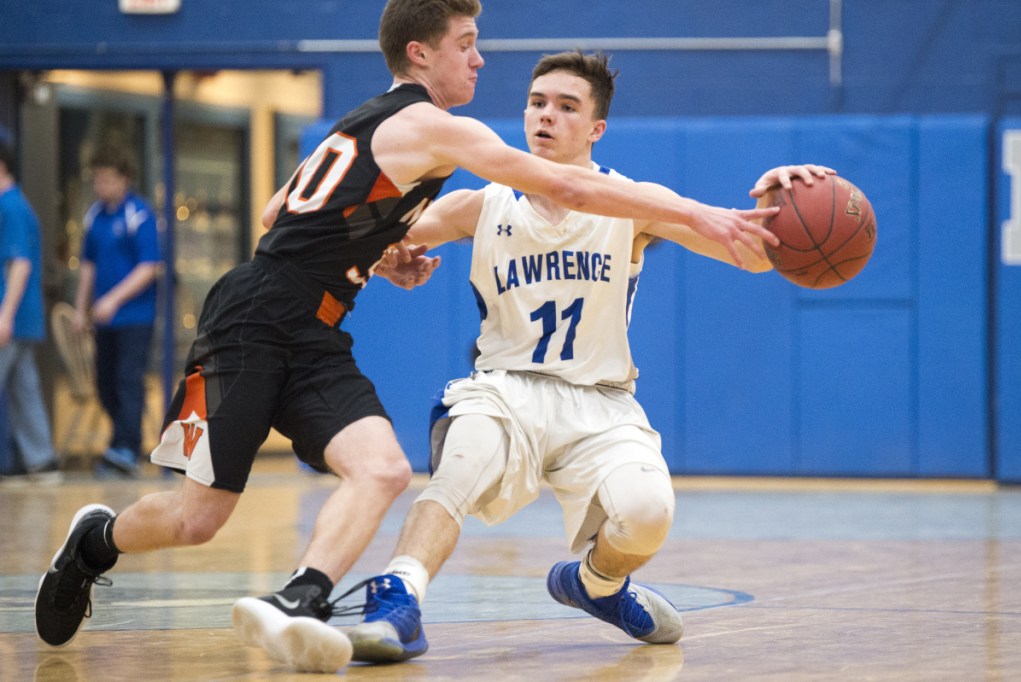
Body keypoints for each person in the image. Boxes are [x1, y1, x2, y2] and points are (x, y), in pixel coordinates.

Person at [34, 2, 781, 674]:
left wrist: (372, 249)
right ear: (421, 54)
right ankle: (95, 544)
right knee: (200, 519)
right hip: (253, 319)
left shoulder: (366, 123)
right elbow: (569, 187)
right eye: (467, 44)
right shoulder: (437, 129)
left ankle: (303, 597)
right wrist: (699, 213)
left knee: (384, 470)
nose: (480, 60)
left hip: (320, 325)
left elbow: (274, 211)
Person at [347, 50, 833, 663]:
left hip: (599, 402)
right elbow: (380, 239)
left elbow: (753, 255)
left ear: (596, 129)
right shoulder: (481, 204)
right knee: (459, 469)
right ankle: (399, 600)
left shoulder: (634, 203)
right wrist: (391, 259)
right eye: (537, 102)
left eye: (566, 107)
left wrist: (784, 204)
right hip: (505, 389)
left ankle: (594, 585)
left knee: (648, 514)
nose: (545, 116)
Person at [73, 146, 161, 477]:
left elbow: (148, 267)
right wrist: (82, 308)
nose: (101, 186)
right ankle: (119, 440)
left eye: (108, 179)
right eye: (97, 179)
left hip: (134, 317)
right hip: (104, 321)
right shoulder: (95, 216)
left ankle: (127, 445)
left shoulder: (138, 214)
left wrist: (113, 299)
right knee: (105, 380)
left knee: (128, 378)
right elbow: (88, 266)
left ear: (124, 180)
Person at [0, 140, 63, 486]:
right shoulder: (14, 205)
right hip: (20, 320)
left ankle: (42, 460)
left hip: (10, 317)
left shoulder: (11, 207)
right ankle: (42, 461)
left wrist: (4, 316)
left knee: (22, 387)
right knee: (24, 389)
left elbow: (20, 265)